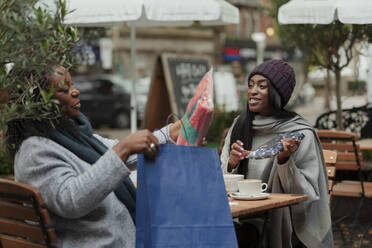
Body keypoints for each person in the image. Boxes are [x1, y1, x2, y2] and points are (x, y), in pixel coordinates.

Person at [6, 65, 182, 248]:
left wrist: (169, 133)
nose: (75, 91)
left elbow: (111, 152)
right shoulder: (34, 150)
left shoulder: (68, 135)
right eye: (64, 90)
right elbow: (71, 199)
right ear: (38, 102)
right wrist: (122, 150)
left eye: (72, 85)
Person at [220, 60, 333, 248]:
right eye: (251, 85)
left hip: (281, 221)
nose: (253, 91)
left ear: (277, 94)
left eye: (262, 86)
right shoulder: (240, 125)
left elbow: (308, 194)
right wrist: (231, 164)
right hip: (239, 217)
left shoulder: (299, 133)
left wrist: (284, 161)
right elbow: (220, 178)